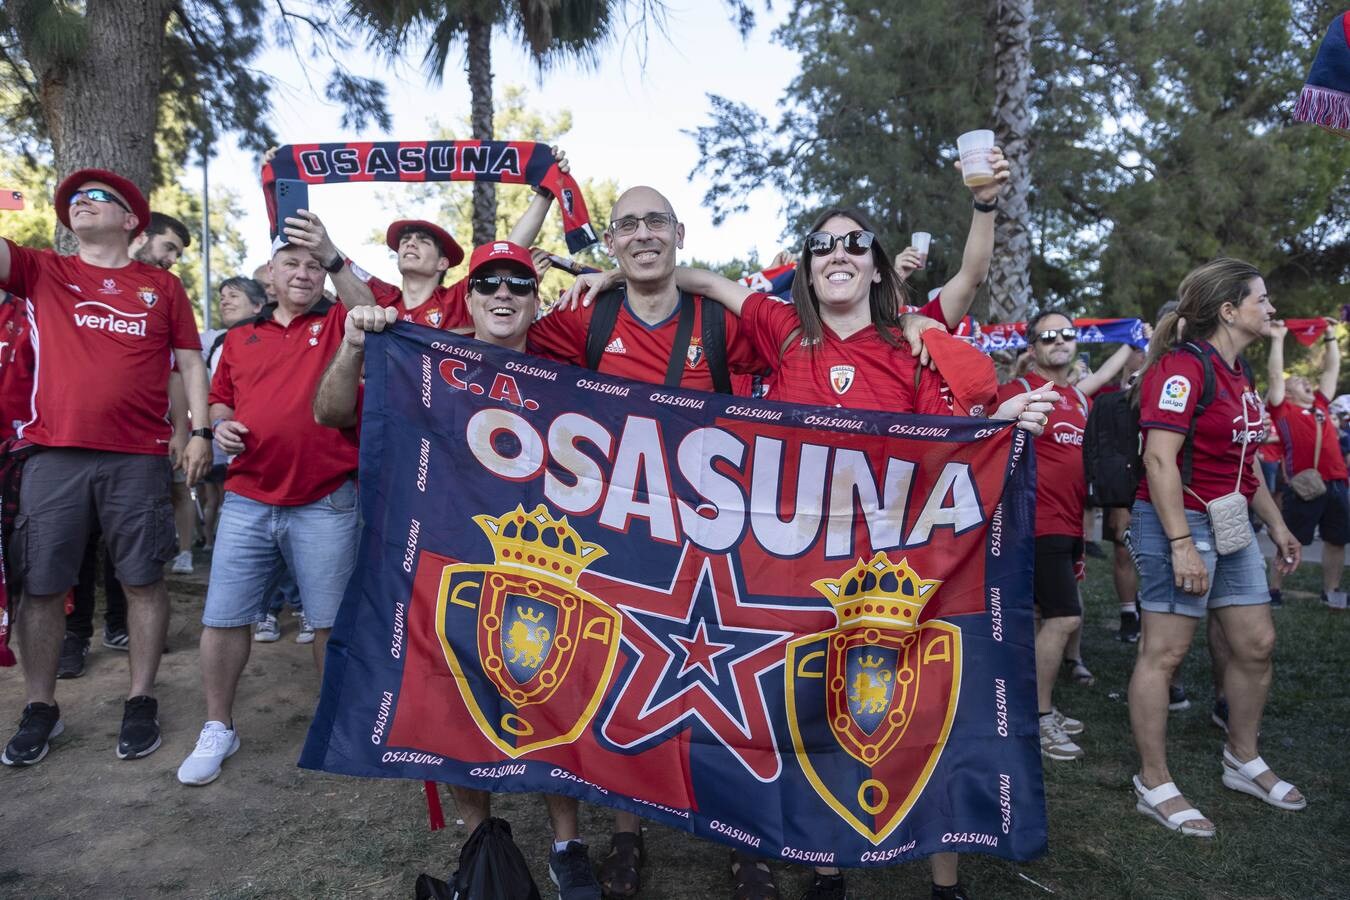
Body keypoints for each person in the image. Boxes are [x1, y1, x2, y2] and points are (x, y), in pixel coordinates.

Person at [565, 206, 1053, 900]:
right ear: (808, 267)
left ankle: (946, 882)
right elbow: (702, 280)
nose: (838, 252)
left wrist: (1002, 423)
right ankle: (826, 869)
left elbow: (951, 442)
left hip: (892, 566)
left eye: (855, 242)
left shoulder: (912, 344)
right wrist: (614, 272)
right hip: (800, 569)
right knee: (811, 708)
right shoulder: (782, 329)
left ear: (877, 265)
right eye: (822, 244)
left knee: (919, 707)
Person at [314, 241, 603, 900]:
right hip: (447, 561)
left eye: (519, 284)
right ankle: (480, 835)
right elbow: (329, 413)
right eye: (489, 283)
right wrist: (354, 344)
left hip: (545, 569)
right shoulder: (426, 360)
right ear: (466, 297)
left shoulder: (567, 376)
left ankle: (568, 845)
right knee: (452, 694)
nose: (504, 294)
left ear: (536, 300)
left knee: (555, 694)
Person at [527, 184, 778, 899]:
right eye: (628, 224)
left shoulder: (718, 318)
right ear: (609, 242)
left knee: (733, 693)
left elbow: (806, 339)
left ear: (679, 233)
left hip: (719, 538)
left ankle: (744, 841)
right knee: (622, 684)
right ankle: (626, 835)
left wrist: (706, 280)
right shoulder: (587, 317)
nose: (642, 234)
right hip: (625, 536)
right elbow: (498, 346)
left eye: (655, 222)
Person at [1, 169, 211, 766]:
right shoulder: (43, 269)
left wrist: (196, 431)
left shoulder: (161, 287)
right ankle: (41, 707)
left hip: (138, 458)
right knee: (41, 585)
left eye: (100, 198)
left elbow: (191, 365)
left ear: (130, 220)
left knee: (142, 579)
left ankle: (140, 697)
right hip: (52, 453)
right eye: (74, 200)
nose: (82, 203)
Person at [1127, 258, 1306, 839]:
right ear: (1230, 310)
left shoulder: (1239, 372)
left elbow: (1245, 459)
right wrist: (1181, 543)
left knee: (1257, 643)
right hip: (1178, 525)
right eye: (1263, 299)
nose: (1271, 308)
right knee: (1166, 654)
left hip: (1232, 530)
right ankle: (1153, 782)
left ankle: (1242, 759)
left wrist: (1277, 526)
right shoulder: (1183, 368)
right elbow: (1158, 459)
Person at [176, 235, 359, 786]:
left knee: (328, 623)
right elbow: (220, 393)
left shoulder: (339, 323)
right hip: (249, 498)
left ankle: (334, 728)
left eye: (313, 266)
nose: (303, 273)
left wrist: (333, 254)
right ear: (270, 278)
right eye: (291, 265)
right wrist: (220, 422)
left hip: (326, 498)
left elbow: (375, 305)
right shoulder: (240, 337)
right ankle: (217, 725)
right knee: (224, 616)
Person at [996, 310, 1140, 761]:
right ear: (1032, 348)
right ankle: (1037, 718)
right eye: (1048, 336)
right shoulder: (1018, 391)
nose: (1059, 341)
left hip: (1069, 522)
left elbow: (1102, 378)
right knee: (1064, 618)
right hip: (1034, 523)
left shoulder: (1077, 398)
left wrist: (1133, 345)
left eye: (1067, 334)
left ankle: (1036, 709)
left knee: (1047, 617)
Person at [281, 148, 569, 328]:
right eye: (405, 239)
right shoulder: (382, 295)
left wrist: (545, 194)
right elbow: (332, 255)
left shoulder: (458, 299)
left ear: (443, 263)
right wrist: (281, 168)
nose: (409, 243)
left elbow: (510, 248)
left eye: (423, 240)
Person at [1265, 318, 1347, 608]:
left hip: (1337, 482)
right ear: (1287, 394)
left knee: (1337, 539)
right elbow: (1275, 376)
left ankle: (1332, 591)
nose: (1307, 382)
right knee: (1290, 539)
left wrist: (1330, 336)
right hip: (1304, 485)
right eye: (1298, 382)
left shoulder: (1321, 406)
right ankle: (1273, 590)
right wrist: (1278, 338)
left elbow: (1331, 369)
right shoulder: (1282, 409)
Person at [197, 276, 269, 551]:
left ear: (257, 305)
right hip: (225, 443)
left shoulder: (272, 337)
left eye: (234, 296)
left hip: (261, 451)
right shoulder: (216, 341)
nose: (224, 301)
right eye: (222, 296)